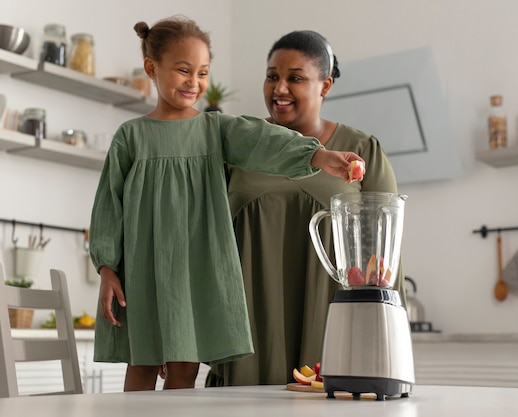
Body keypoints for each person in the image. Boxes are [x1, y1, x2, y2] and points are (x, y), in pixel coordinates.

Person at [88, 17, 364, 392]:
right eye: (183, 70)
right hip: (142, 272)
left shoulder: (216, 131)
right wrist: (106, 268)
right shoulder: (131, 137)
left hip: (195, 272)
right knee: (142, 365)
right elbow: (108, 206)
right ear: (153, 68)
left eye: (202, 72)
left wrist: (320, 157)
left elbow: (266, 141)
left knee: (184, 371)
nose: (194, 82)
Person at [206, 30, 401, 387]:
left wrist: (385, 338)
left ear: (324, 86)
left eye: (294, 78)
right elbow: (201, 233)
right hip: (246, 331)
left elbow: (385, 256)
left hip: (336, 330)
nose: (279, 88)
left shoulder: (363, 149)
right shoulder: (235, 147)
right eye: (272, 76)